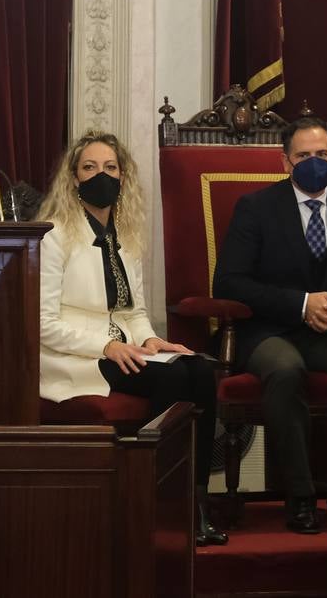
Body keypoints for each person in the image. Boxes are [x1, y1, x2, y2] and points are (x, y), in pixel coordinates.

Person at [38, 131, 227, 546]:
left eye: (110, 168)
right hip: (75, 354)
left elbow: (134, 313)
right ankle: (156, 502)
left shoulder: (126, 237)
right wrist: (105, 345)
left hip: (126, 348)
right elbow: (42, 323)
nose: (100, 176)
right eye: (89, 167)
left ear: (122, 177)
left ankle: (194, 504)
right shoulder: (53, 236)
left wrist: (153, 341)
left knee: (199, 370)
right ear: (73, 178)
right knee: (173, 381)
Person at [213, 115, 327, 534]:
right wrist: (302, 304)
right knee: (286, 370)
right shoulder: (256, 208)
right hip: (269, 330)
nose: (314, 162)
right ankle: (301, 495)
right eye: (304, 156)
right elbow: (229, 281)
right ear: (285, 162)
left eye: (321, 154)